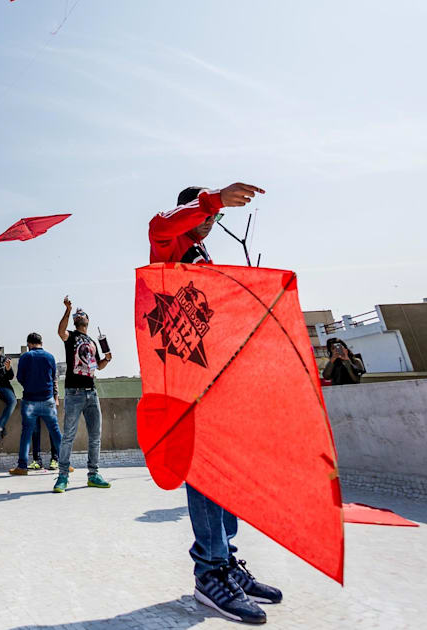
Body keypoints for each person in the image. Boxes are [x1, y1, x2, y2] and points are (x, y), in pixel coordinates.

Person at [150, 183, 282, 624]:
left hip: (219, 371)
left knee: (225, 466)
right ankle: (209, 572)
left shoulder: (203, 256)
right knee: (204, 467)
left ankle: (226, 561)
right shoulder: (169, 244)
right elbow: (160, 224)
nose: (211, 223)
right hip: (187, 376)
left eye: (215, 218)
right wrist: (212, 200)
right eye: (206, 216)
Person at [54, 296, 113, 493]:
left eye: (82, 313)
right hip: (74, 392)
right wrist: (68, 310)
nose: (80, 315)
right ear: (76, 321)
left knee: (95, 435)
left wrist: (107, 360)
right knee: (68, 436)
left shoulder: (92, 341)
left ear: (87, 319)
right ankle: (62, 476)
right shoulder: (70, 336)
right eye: (77, 315)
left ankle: (93, 474)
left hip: (91, 392)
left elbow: (97, 367)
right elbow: (60, 331)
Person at [10, 332, 62, 476]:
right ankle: (65, 464)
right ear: (41, 343)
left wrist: (29, 385)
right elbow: (53, 378)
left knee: (26, 433)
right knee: (55, 431)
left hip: (30, 400)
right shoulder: (50, 357)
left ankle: (22, 467)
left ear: (29, 344)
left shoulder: (26, 357)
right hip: (48, 399)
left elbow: (20, 377)